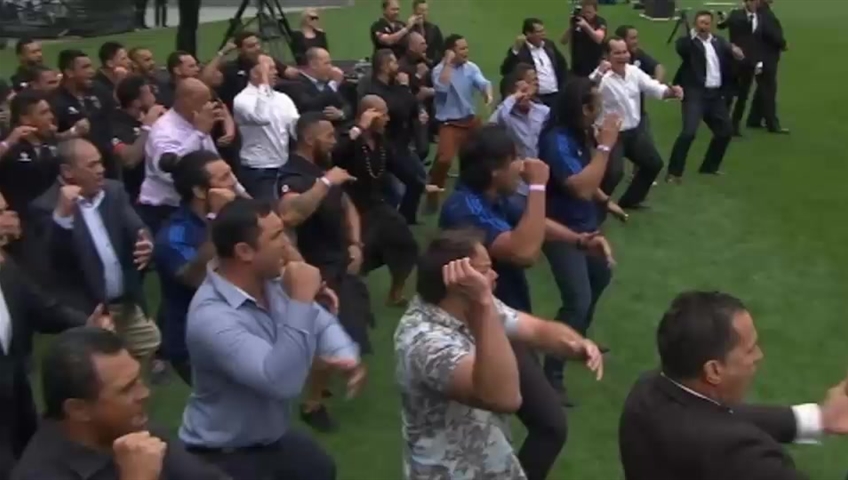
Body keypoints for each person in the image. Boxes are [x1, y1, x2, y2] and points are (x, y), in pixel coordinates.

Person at [438, 126, 594, 479]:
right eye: (515, 159)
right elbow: (524, 251)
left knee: (524, 426)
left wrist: (579, 240)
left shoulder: (492, 197)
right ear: (495, 170)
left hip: (505, 322)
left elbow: (532, 222)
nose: (522, 165)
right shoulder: (464, 209)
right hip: (481, 330)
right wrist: (538, 186)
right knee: (546, 425)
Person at [395, 229, 603, 480]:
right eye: (484, 271)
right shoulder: (425, 343)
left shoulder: (468, 304)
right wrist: (484, 304)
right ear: (457, 283)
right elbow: (504, 397)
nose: (494, 276)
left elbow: (535, 329)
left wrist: (578, 344)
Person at [179, 198, 365, 480]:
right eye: (277, 236)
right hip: (223, 454)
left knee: (319, 468)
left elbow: (321, 322)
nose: (287, 244)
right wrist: (301, 298)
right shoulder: (212, 319)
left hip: (269, 439)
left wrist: (344, 354)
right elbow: (281, 382)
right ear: (244, 251)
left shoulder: (272, 283)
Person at [619, 291, 848, 480]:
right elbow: (724, 433)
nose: (759, 356)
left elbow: (717, 417)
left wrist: (820, 418)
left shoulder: (646, 393)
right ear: (714, 371)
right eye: (750, 350)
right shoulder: (740, 456)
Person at [11, 327, 228, 480]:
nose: (145, 393)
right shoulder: (40, 474)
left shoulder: (133, 428)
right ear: (78, 409)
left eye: (138, 380)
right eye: (127, 389)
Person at [0, 192, 112, 478]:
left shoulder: (6, 267)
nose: (10, 218)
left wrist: (87, 323)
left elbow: (42, 308)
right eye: (0, 213)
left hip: (16, 398)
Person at [278, 112, 374, 431]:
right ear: (309, 138)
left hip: (340, 264)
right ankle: (311, 404)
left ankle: (320, 381)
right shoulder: (292, 175)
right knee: (329, 338)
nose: (334, 141)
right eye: (329, 135)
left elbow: (347, 206)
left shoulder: (322, 169)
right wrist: (325, 182)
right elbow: (290, 215)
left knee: (344, 333)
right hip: (315, 270)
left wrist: (355, 243)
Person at [29, 138, 161, 363]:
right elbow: (50, 263)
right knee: (105, 368)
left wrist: (145, 242)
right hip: (90, 311)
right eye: (91, 165)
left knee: (150, 344)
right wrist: (62, 219)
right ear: (67, 171)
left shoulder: (113, 191)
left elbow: (136, 227)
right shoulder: (45, 207)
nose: (101, 170)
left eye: (100, 162)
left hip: (126, 302)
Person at [538, 78, 620, 404]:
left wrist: (605, 200)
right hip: (561, 231)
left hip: (586, 227)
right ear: (583, 109)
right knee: (577, 300)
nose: (600, 111)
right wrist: (605, 147)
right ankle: (551, 374)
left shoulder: (578, 134)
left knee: (601, 275)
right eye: (596, 106)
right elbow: (579, 187)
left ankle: (577, 340)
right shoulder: (556, 140)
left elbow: (588, 180)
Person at [153, 150, 240, 385]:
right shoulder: (174, 235)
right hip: (195, 344)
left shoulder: (236, 215)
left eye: (231, 173)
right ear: (201, 191)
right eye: (224, 177)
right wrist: (216, 220)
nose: (233, 182)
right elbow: (197, 279)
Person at [333, 96, 420, 307]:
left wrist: (422, 184)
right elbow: (336, 156)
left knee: (405, 244)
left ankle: (395, 293)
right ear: (368, 114)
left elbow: (396, 165)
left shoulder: (380, 141)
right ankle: (349, 298)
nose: (388, 119)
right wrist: (360, 128)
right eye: (383, 114)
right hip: (350, 207)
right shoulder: (347, 135)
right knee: (358, 254)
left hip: (377, 204)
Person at [588, 38, 683, 209]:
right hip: (610, 134)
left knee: (653, 164)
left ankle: (630, 201)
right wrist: (600, 73)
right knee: (614, 173)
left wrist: (671, 92)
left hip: (633, 131)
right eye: (617, 53)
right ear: (607, 56)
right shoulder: (602, 77)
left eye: (625, 52)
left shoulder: (634, 72)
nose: (623, 56)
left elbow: (653, 87)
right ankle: (595, 207)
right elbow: (587, 90)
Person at [139, 78, 228, 235]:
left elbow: (214, 161)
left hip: (191, 206)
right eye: (204, 102)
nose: (209, 106)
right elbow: (168, 172)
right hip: (164, 210)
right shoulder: (164, 131)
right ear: (187, 101)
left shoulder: (198, 123)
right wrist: (199, 134)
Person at [666, 11, 743, 183]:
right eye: (701, 22)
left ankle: (709, 167)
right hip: (695, 94)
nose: (704, 26)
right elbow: (682, 48)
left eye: (707, 23)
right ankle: (674, 173)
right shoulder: (689, 43)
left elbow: (732, 52)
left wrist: (736, 51)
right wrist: (690, 33)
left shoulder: (719, 41)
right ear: (695, 24)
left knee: (725, 131)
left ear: (712, 25)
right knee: (688, 133)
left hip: (714, 95)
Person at [428, 34, 492, 212]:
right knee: (444, 160)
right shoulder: (439, 70)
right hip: (450, 123)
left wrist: (487, 93)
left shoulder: (471, 67)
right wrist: (448, 64)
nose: (466, 51)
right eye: (462, 48)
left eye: (466, 47)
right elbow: (441, 88)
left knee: (483, 156)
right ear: (450, 52)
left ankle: (476, 194)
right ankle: (433, 193)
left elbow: (482, 82)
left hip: (469, 121)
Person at [363, 48, 427, 225]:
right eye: (393, 62)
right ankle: (396, 220)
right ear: (384, 66)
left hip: (402, 145)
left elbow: (411, 104)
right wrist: (405, 88)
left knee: (418, 178)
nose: (397, 65)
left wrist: (419, 109)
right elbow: (399, 109)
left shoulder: (393, 85)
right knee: (401, 187)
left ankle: (406, 218)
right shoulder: (375, 91)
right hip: (387, 147)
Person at [233, 54, 300, 200]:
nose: (275, 72)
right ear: (254, 73)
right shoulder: (241, 100)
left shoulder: (283, 98)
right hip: (258, 168)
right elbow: (261, 117)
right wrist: (264, 83)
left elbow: (295, 128)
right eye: (269, 69)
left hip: (284, 165)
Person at [51, 50, 117, 179]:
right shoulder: (55, 101)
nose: (92, 71)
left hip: (109, 163)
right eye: (85, 67)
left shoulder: (99, 90)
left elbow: (114, 116)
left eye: (91, 66)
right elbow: (50, 139)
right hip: (81, 171)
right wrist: (72, 132)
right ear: (69, 72)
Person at [111, 75, 166, 202]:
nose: (154, 97)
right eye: (149, 93)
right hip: (136, 197)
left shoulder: (146, 118)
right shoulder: (116, 124)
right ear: (136, 102)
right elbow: (130, 160)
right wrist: (147, 127)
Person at [718, 0, 765, 136]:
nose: (755, 3)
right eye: (752, 1)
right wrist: (723, 19)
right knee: (729, 94)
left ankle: (735, 125)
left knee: (743, 96)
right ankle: (723, 123)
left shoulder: (760, 17)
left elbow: (759, 41)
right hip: (734, 61)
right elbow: (722, 26)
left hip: (750, 63)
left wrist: (759, 61)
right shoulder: (736, 15)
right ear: (746, 2)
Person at [500, 18, 568, 107]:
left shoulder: (549, 45)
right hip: (535, 98)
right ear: (528, 34)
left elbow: (562, 65)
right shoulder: (521, 49)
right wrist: (515, 50)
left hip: (555, 96)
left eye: (543, 31)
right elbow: (505, 70)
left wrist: (563, 88)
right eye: (539, 32)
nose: (543, 34)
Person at [281, 48, 350, 130]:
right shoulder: (294, 83)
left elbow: (346, 105)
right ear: (313, 65)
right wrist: (333, 84)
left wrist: (341, 114)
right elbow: (309, 107)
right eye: (326, 63)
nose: (331, 67)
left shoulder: (327, 82)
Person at [748, 0, 789, 134]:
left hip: (760, 56)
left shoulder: (759, 13)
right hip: (766, 57)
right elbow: (772, 34)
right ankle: (772, 123)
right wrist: (783, 44)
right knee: (768, 89)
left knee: (762, 88)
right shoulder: (765, 14)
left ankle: (754, 119)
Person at [560, 0, 607, 77]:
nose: (586, 15)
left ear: (596, 11)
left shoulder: (600, 22)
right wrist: (572, 26)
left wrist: (585, 26)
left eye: (589, 12)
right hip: (577, 67)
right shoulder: (579, 21)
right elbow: (563, 41)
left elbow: (598, 39)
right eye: (584, 12)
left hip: (594, 65)